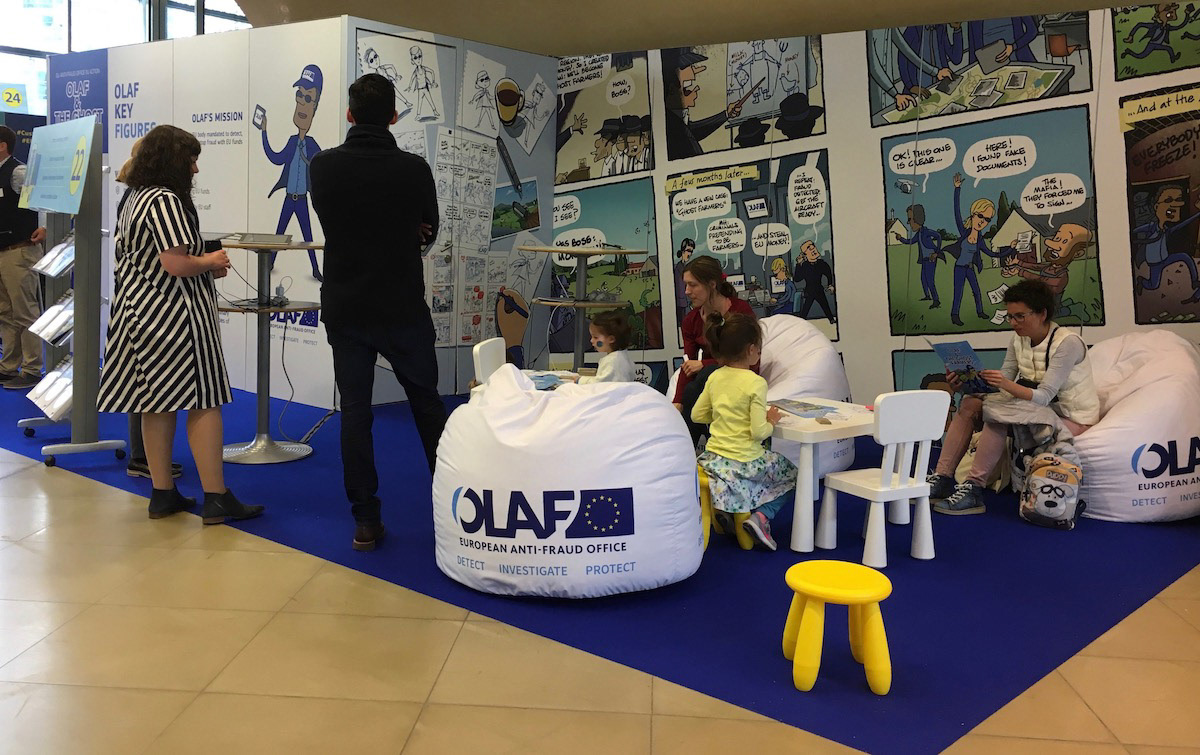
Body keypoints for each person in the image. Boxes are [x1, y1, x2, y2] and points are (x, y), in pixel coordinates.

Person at [97, 125, 263, 524]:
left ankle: (162, 493)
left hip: (140, 313)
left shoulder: (135, 196)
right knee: (204, 399)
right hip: (175, 317)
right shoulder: (166, 200)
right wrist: (211, 261)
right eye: (191, 160)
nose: (195, 169)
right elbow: (176, 263)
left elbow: (153, 257)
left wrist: (199, 263)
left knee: (156, 403)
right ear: (173, 161)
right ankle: (216, 496)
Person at [310, 73, 447, 552]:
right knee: (427, 405)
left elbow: (333, 220)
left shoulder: (322, 167)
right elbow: (429, 229)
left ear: (349, 114)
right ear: (393, 115)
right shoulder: (414, 169)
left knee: (355, 413)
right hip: (402, 304)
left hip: (347, 306)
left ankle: (365, 520)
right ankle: (456, 507)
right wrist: (408, 231)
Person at [926, 279, 1099, 515]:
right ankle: (943, 477)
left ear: (1042, 313)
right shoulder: (1018, 338)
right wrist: (966, 383)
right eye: (1010, 317)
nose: (1013, 323)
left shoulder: (1068, 343)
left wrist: (1004, 384)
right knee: (970, 403)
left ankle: (974, 487)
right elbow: (1004, 381)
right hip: (1035, 408)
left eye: (1020, 316)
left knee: (1000, 413)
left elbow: (1044, 395)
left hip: (1070, 415)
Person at [692, 313, 795, 551]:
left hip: (712, 459)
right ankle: (761, 516)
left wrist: (723, 416)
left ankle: (729, 512)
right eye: (759, 349)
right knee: (793, 475)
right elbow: (759, 433)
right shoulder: (755, 382)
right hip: (743, 461)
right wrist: (771, 421)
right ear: (750, 350)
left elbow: (697, 415)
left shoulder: (715, 376)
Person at [113, 139, 182, 480]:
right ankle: (145, 460)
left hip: (136, 300)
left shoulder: (132, 196)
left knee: (145, 386)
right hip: (153, 303)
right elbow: (172, 260)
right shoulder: (156, 199)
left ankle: (145, 459)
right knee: (151, 390)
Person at [673, 255, 758, 447]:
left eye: (692, 285)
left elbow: (746, 358)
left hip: (739, 374)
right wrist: (677, 402)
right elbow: (688, 364)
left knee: (706, 375)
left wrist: (704, 364)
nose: (687, 291)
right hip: (709, 382)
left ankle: (685, 450)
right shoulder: (690, 320)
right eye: (685, 285)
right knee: (695, 385)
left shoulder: (740, 311)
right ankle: (688, 448)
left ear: (712, 284)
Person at [260, 63, 324, 282]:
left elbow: (323, 166)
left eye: (308, 98)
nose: (301, 103)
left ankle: (315, 269)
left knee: (308, 236)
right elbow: (275, 157)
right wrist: (264, 132)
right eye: (299, 95)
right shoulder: (291, 142)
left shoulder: (313, 146)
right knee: (279, 234)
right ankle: (270, 264)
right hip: (289, 199)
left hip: (302, 199)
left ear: (315, 107)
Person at [0, 125, 47, 391]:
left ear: (2, 146)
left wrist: (45, 227)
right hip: (2, 252)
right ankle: (8, 366)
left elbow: (42, 199)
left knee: (25, 312)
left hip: (19, 251)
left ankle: (32, 369)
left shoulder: (18, 172)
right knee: (5, 312)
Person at [946, 172, 1008, 326]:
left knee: (976, 290)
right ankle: (954, 315)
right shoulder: (964, 232)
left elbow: (991, 253)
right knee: (958, 292)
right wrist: (957, 189)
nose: (983, 222)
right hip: (959, 268)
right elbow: (956, 212)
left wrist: (1011, 249)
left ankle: (980, 312)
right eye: (981, 216)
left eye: (987, 219)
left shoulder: (980, 239)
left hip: (970, 268)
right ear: (973, 214)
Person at [662, 47, 743, 160]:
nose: (695, 93)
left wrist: (726, 114)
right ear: (671, 90)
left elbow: (692, 131)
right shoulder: (668, 125)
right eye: (687, 89)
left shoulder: (676, 121)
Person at [1130, 185, 1200, 304]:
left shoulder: (1166, 229)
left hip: (1166, 258)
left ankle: (1194, 282)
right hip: (1155, 263)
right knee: (1153, 285)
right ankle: (1142, 281)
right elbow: (1134, 231)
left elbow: (1182, 225)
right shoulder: (1151, 227)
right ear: (1156, 207)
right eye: (1168, 200)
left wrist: (1197, 215)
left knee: (1185, 257)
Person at [892, 203, 943, 308]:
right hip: (924, 260)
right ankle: (927, 296)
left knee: (930, 280)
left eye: (909, 219)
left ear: (917, 218)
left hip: (931, 259)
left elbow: (938, 236)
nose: (908, 223)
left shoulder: (926, 232)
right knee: (923, 279)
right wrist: (900, 238)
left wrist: (936, 253)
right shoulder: (918, 234)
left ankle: (936, 300)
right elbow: (910, 241)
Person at [572, 310, 636, 384]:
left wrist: (580, 380)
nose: (591, 340)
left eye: (595, 337)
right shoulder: (624, 357)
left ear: (611, 339)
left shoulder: (612, 361)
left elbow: (600, 384)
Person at [792, 240, 837, 322]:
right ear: (805, 254)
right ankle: (801, 321)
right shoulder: (804, 265)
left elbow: (828, 273)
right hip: (809, 291)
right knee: (806, 308)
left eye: (813, 247)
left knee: (825, 305)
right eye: (809, 248)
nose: (813, 250)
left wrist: (830, 284)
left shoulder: (821, 264)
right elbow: (797, 279)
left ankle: (831, 319)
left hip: (819, 289)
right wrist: (798, 264)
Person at [673, 238, 695, 325]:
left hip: (688, 302)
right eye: (688, 251)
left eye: (691, 251)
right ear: (682, 251)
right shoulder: (678, 268)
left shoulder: (689, 267)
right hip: (682, 304)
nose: (690, 254)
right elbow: (680, 287)